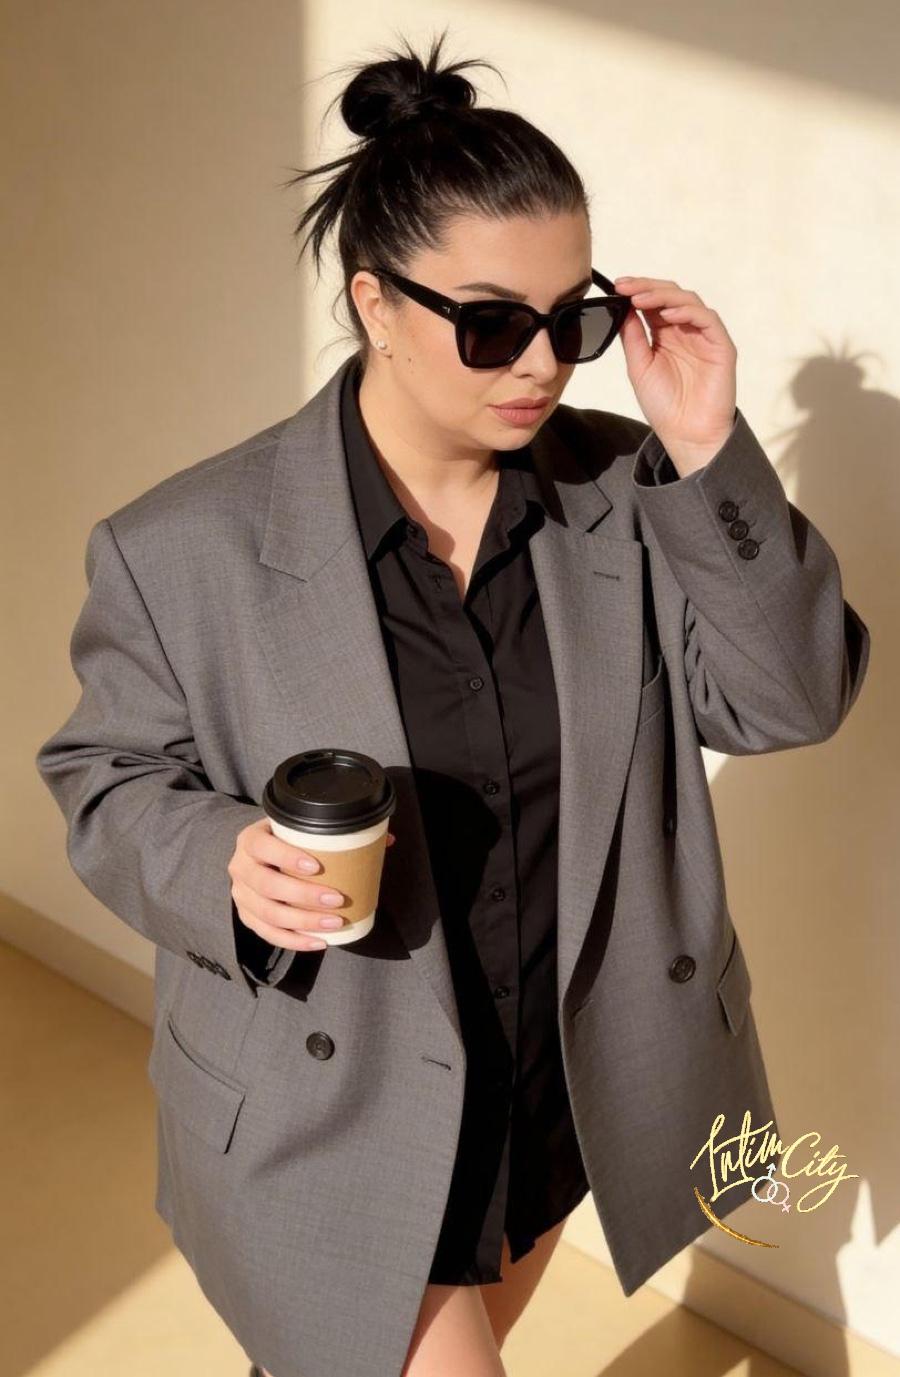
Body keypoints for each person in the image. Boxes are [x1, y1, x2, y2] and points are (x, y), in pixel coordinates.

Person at [35, 27, 870, 1377]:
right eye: (490, 324)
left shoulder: (631, 492)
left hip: (557, 1092)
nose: (541, 365)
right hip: (335, 1102)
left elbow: (791, 697)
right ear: (374, 303)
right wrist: (222, 860)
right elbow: (104, 773)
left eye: (572, 320)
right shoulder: (183, 545)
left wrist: (707, 445)